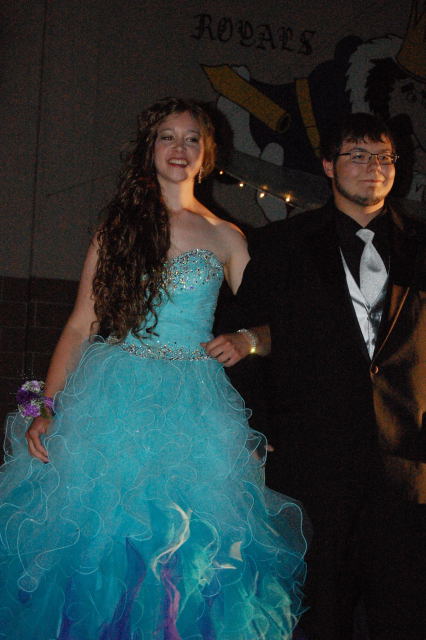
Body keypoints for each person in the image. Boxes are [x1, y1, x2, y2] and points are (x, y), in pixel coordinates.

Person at [0, 97, 306, 639]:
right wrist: (46, 406)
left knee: (189, 546)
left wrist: (248, 340)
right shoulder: (118, 226)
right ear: (150, 147)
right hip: (112, 393)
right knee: (101, 537)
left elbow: (283, 325)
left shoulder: (227, 235)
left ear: (208, 154)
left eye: (192, 138)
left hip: (195, 403)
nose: (179, 148)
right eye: (168, 136)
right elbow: (80, 325)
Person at [205, 113, 426, 640]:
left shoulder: (422, 244)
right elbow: (242, 339)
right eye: (357, 155)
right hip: (313, 460)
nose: (373, 168)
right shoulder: (281, 243)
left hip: (409, 462)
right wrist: (261, 429)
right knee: (319, 611)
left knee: (407, 611)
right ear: (328, 165)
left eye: (384, 157)